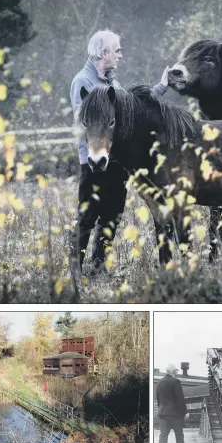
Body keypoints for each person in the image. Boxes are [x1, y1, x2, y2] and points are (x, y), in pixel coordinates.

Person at [69, 29, 169, 277]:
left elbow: (133, 110)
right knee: (87, 218)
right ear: (104, 53)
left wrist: (160, 87)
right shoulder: (83, 82)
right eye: (117, 50)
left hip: (116, 164)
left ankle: (99, 268)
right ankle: (75, 272)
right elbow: (86, 124)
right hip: (93, 163)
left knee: (111, 216)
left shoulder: (113, 84)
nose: (120, 55)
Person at [156, 364, 187, 443]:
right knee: (179, 436)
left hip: (163, 413)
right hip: (175, 414)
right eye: (176, 370)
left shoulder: (159, 382)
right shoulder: (176, 381)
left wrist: (162, 409)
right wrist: (184, 412)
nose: (177, 372)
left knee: (163, 435)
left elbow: (158, 399)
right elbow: (180, 399)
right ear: (173, 371)